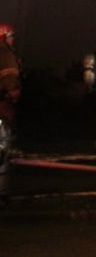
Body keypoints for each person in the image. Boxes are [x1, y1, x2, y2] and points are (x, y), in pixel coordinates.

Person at [0, 24, 21, 208]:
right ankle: (2, 194)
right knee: (2, 149)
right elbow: (10, 76)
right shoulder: (5, 53)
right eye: (11, 36)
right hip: (2, 105)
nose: (13, 39)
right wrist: (14, 91)